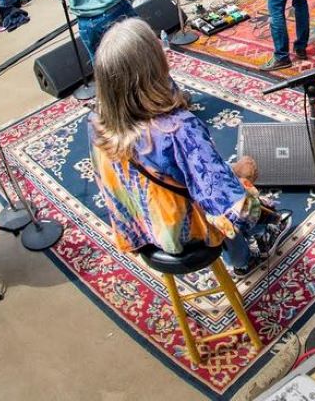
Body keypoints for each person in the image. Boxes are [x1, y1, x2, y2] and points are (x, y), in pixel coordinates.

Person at [89, 19, 289, 276]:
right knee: (240, 181)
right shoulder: (177, 130)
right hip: (180, 232)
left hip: (140, 224)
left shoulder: (96, 123)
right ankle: (243, 260)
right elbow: (233, 208)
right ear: (155, 64)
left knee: (216, 178)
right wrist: (245, 183)